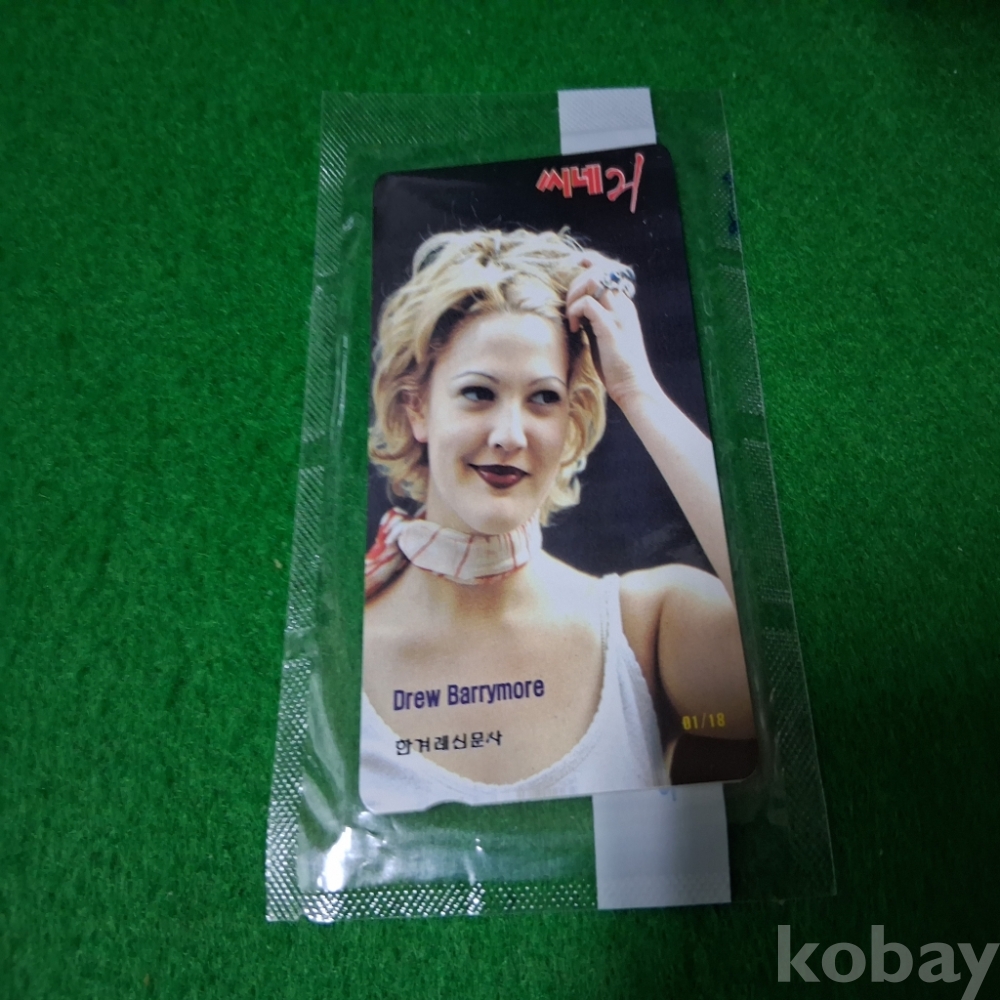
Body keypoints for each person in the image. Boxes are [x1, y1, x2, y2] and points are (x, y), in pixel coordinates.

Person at [360, 228, 754, 814]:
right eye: (478, 393)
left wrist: (636, 390)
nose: (509, 435)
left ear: (573, 420)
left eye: (544, 398)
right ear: (416, 407)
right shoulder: (342, 646)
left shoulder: (644, 627)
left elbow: (798, 661)